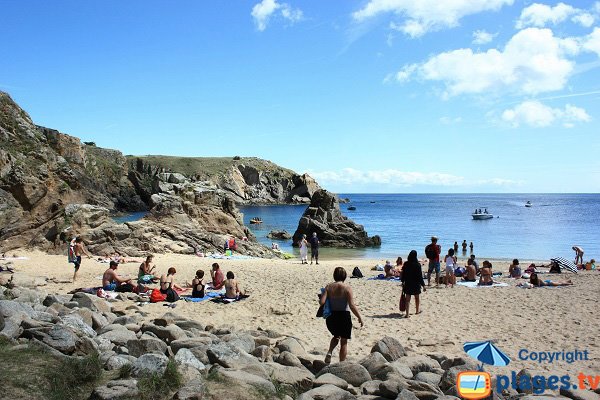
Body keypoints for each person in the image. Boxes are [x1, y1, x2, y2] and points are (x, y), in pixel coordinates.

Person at [320, 267, 363, 364]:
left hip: (332, 317)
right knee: (344, 341)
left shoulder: (328, 287)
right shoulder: (347, 288)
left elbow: (322, 302)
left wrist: (323, 297)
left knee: (336, 336)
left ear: (334, 276)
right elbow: (352, 305)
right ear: (345, 276)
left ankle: (330, 351)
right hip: (344, 316)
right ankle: (341, 363)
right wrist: (359, 317)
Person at [401, 250, 426, 318]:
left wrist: (402, 281)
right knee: (417, 298)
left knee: (408, 299)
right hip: (416, 283)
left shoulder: (406, 264)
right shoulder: (417, 265)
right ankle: (417, 311)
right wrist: (423, 285)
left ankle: (407, 314)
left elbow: (403, 274)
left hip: (408, 283)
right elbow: (420, 276)